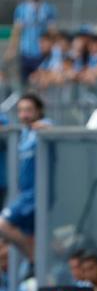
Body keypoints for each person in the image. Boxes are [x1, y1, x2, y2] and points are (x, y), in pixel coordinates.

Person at [0, 94, 51, 264]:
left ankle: (35, 258)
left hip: (36, 194)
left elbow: (50, 128)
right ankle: (35, 260)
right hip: (24, 194)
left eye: (29, 110)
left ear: (38, 111)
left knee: (2, 224)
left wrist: (45, 128)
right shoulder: (23, 134)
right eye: (21, 111)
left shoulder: (41, 129)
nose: (24, 115)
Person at [4, 0, 57, 84]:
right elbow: (16, 31)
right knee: (24, 82)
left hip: (42, 53)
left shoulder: (48, 9)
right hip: (26, 52)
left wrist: (53, 48)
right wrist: (11, 49)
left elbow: (52, 30)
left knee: (41, 82)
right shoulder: (21, 9)